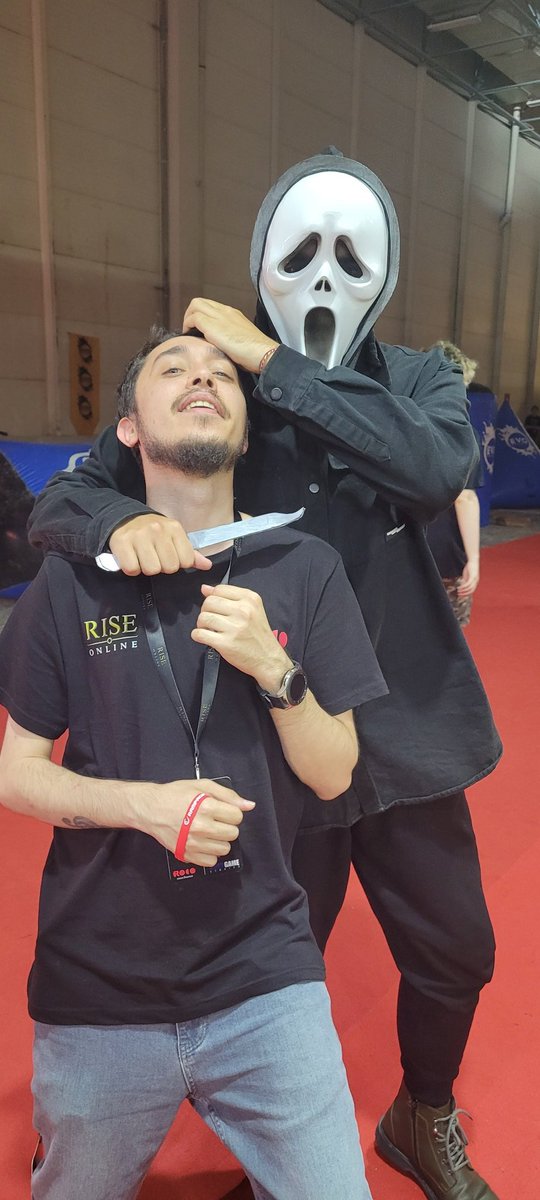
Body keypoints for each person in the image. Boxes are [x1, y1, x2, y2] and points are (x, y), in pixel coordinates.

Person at [27, 150, 502, 1200]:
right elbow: (64, 501)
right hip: (275, 728)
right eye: (301, 252)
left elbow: (436, 467)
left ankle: (423, 1113)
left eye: (351, 255)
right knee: (277, 960)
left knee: (458, 949)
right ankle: (266, 1131)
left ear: (386, 269)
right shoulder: (212, 386)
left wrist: (277, 364)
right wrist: (122, 522)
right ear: (260, 260)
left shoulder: (413, 379)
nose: (325, 277)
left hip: (407, 728)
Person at [0, 330, 390, 1200]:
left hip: (266, 974)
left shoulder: (305, 565)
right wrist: (144, 807)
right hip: (98, 982)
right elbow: (15, 771)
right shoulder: (74, 579)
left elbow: (335, 773)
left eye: (221, 374)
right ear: (130, 428)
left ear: (244, 434)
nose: (202, 377)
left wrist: (275, 670)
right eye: (173, 369)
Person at [424, 342, 481, 626]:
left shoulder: (402, 420)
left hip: (402, 549)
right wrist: (474, 558)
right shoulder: (461, 432)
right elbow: (464, 498)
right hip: (445, 553)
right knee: (447, 633)